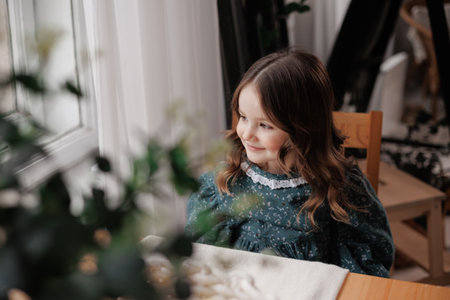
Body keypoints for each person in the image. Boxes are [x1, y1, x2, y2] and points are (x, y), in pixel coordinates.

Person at [185, 48, 394, 278]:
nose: (246, 133)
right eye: (243, 117)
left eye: (265, 125)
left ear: (304, 129)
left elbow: (368, 261)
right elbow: (201, 253)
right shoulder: (229, 179)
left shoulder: (338, 187)